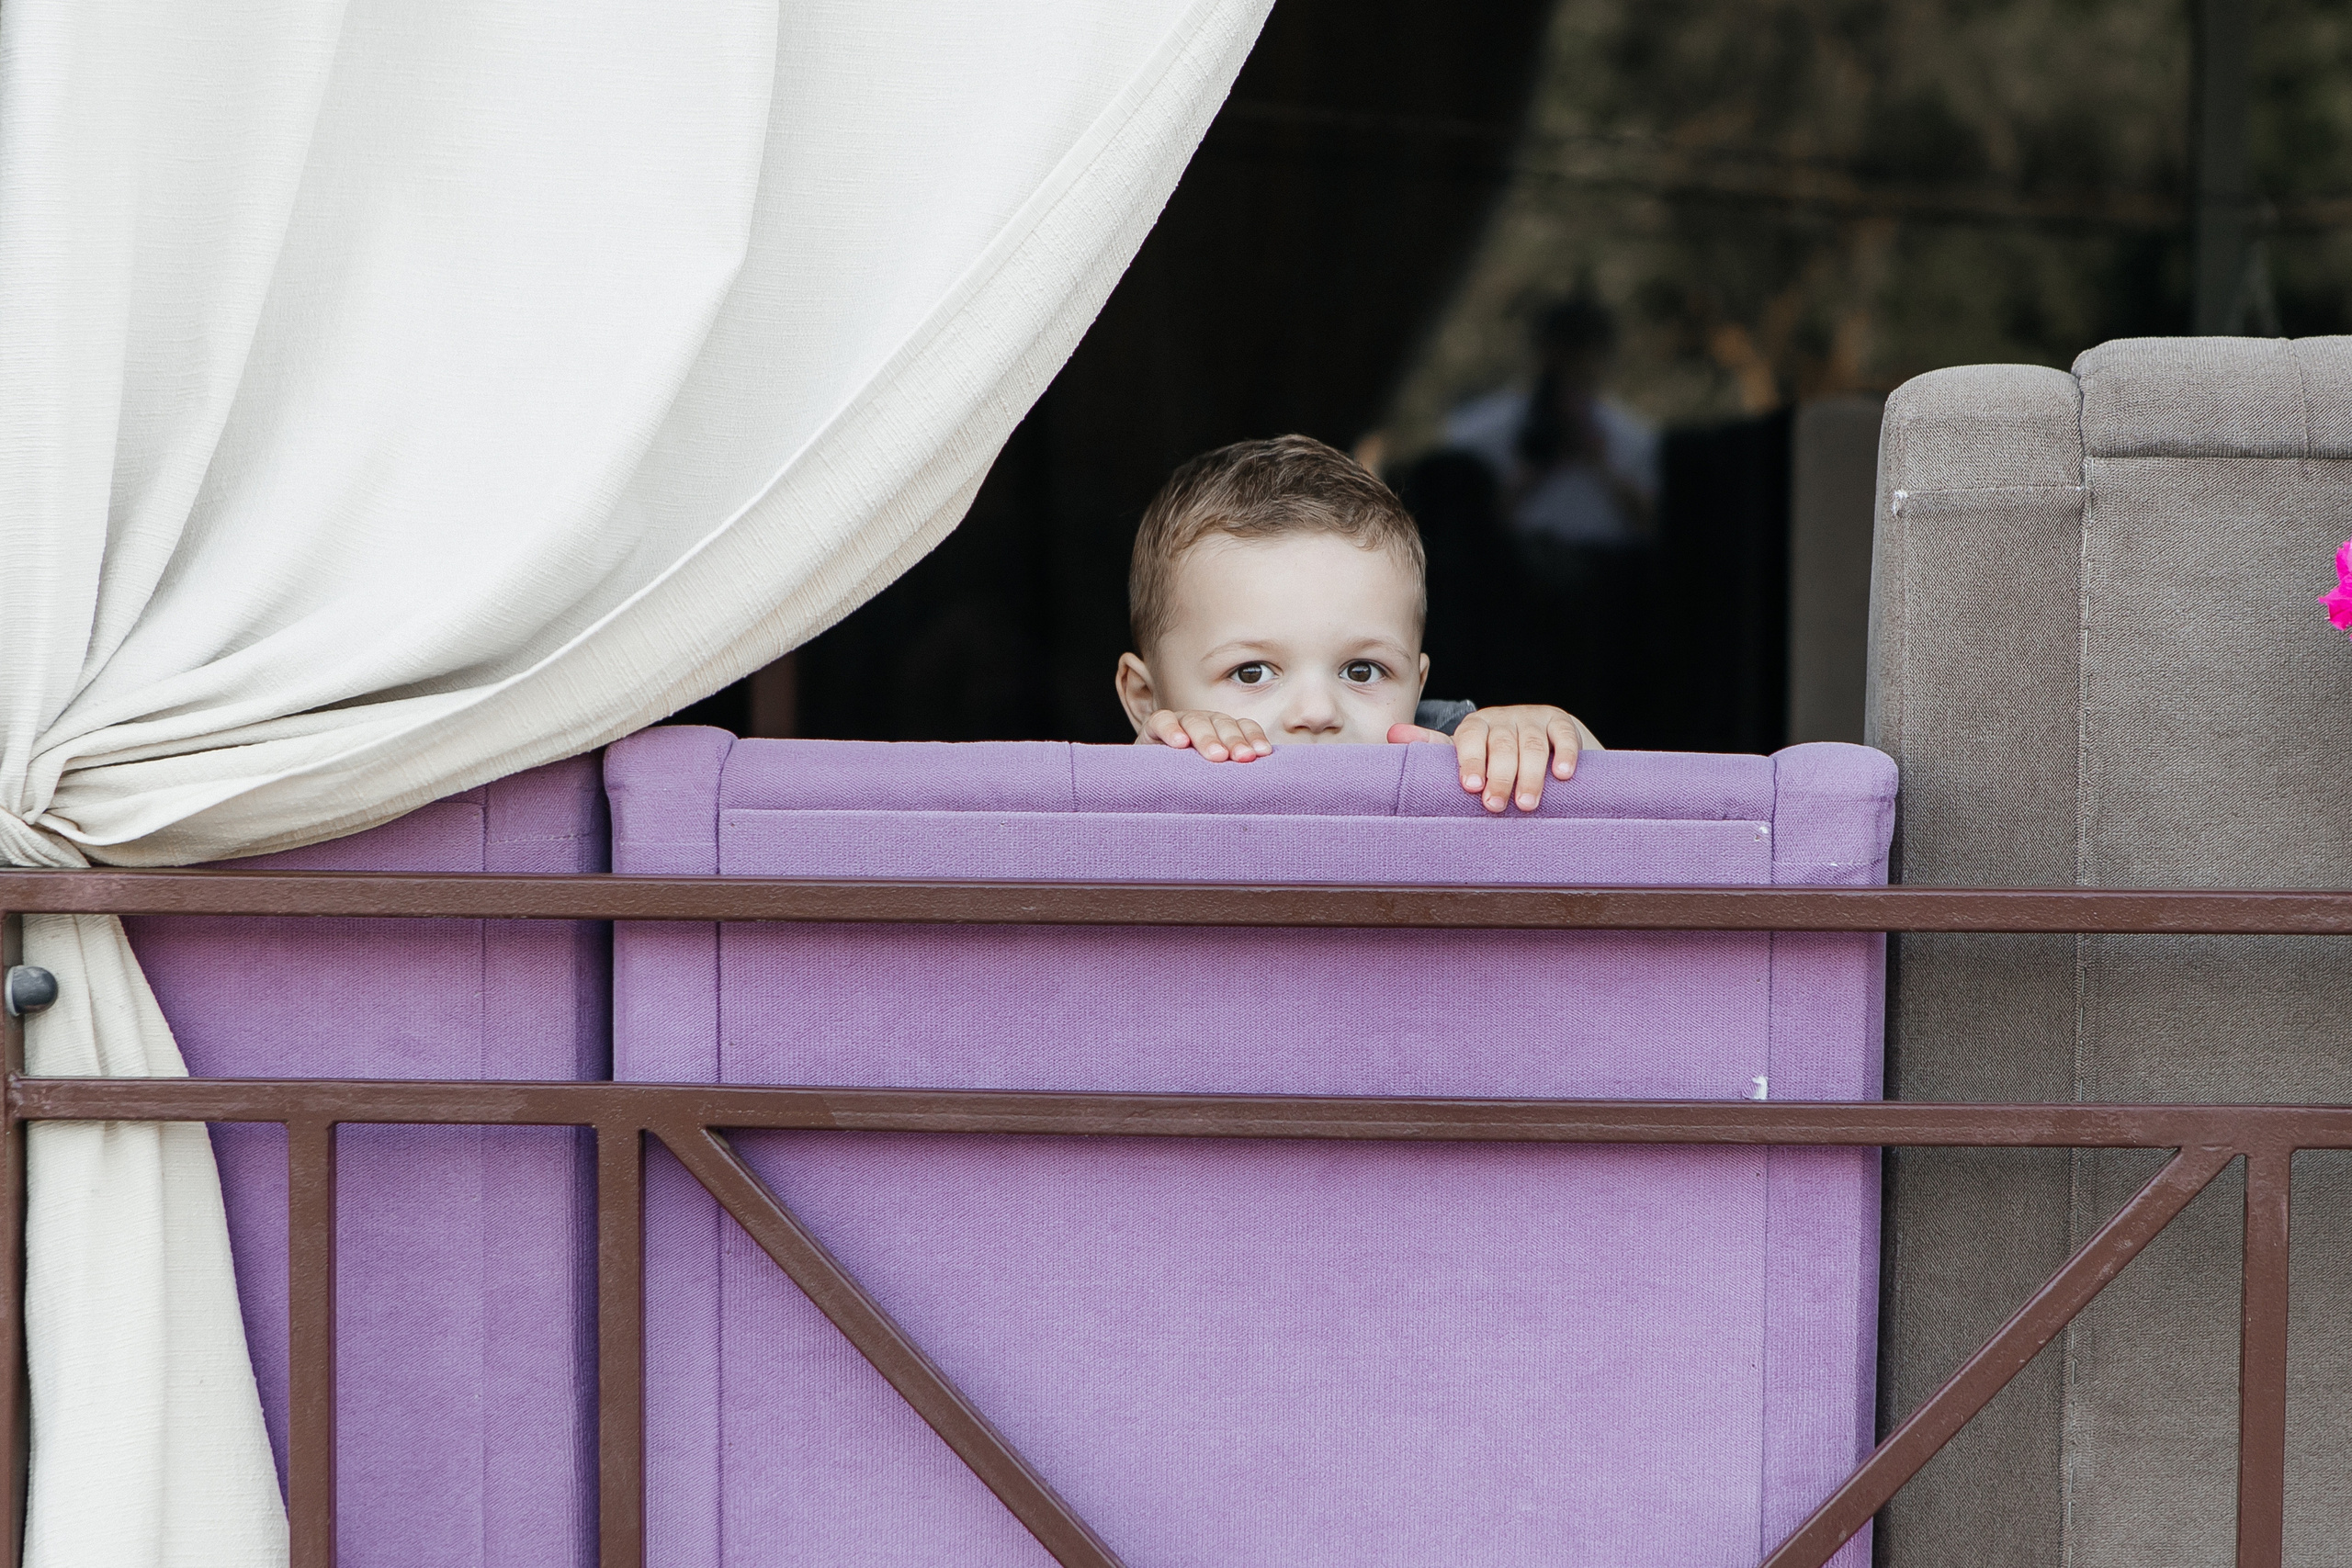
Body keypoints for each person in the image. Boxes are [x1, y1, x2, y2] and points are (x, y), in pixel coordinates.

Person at [1112, 434, 1600, 815]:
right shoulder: (1135, 783)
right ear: (1144, 698)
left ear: (1417, 684)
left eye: (1362, 671)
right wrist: (1138, 780)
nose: (1318, 711)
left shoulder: (1458, 761)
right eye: (1251, 672)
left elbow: (1622, 830)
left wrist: (1548, 748)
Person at [1442, 296, 1659, 558]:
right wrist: (1531, 472)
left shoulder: (1635, 439)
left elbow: (1655, 527)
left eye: (1582, 365)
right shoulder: (1476, 433)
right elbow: (1458, 532)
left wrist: (1603, 467)